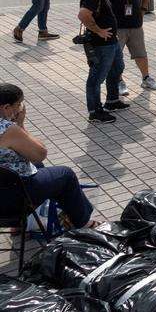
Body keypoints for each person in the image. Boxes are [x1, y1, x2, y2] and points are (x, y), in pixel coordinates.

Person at [0, 84, 99, 229]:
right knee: (66, 174)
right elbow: (40, 154)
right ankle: (84, 222)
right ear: (6, 108)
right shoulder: (7, 129)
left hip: (4, 189)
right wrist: (20, 124)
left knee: (38, 167)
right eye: (18, 104)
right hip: (13, 197)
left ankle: (25, 223)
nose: (20, 108)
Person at [78, 0, 129, 123]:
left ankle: (112, 101)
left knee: (117, 68)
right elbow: (83, 15)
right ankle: (95, 111)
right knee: (96, 78)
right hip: (101, 45)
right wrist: (98, 30)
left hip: (111, 42)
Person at [107, 0, 156, 95]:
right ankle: (118, 81)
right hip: (117, 26)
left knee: (140, 53)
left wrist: (143, 9)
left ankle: (146, 78)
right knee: (116, 56)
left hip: (135, 24)